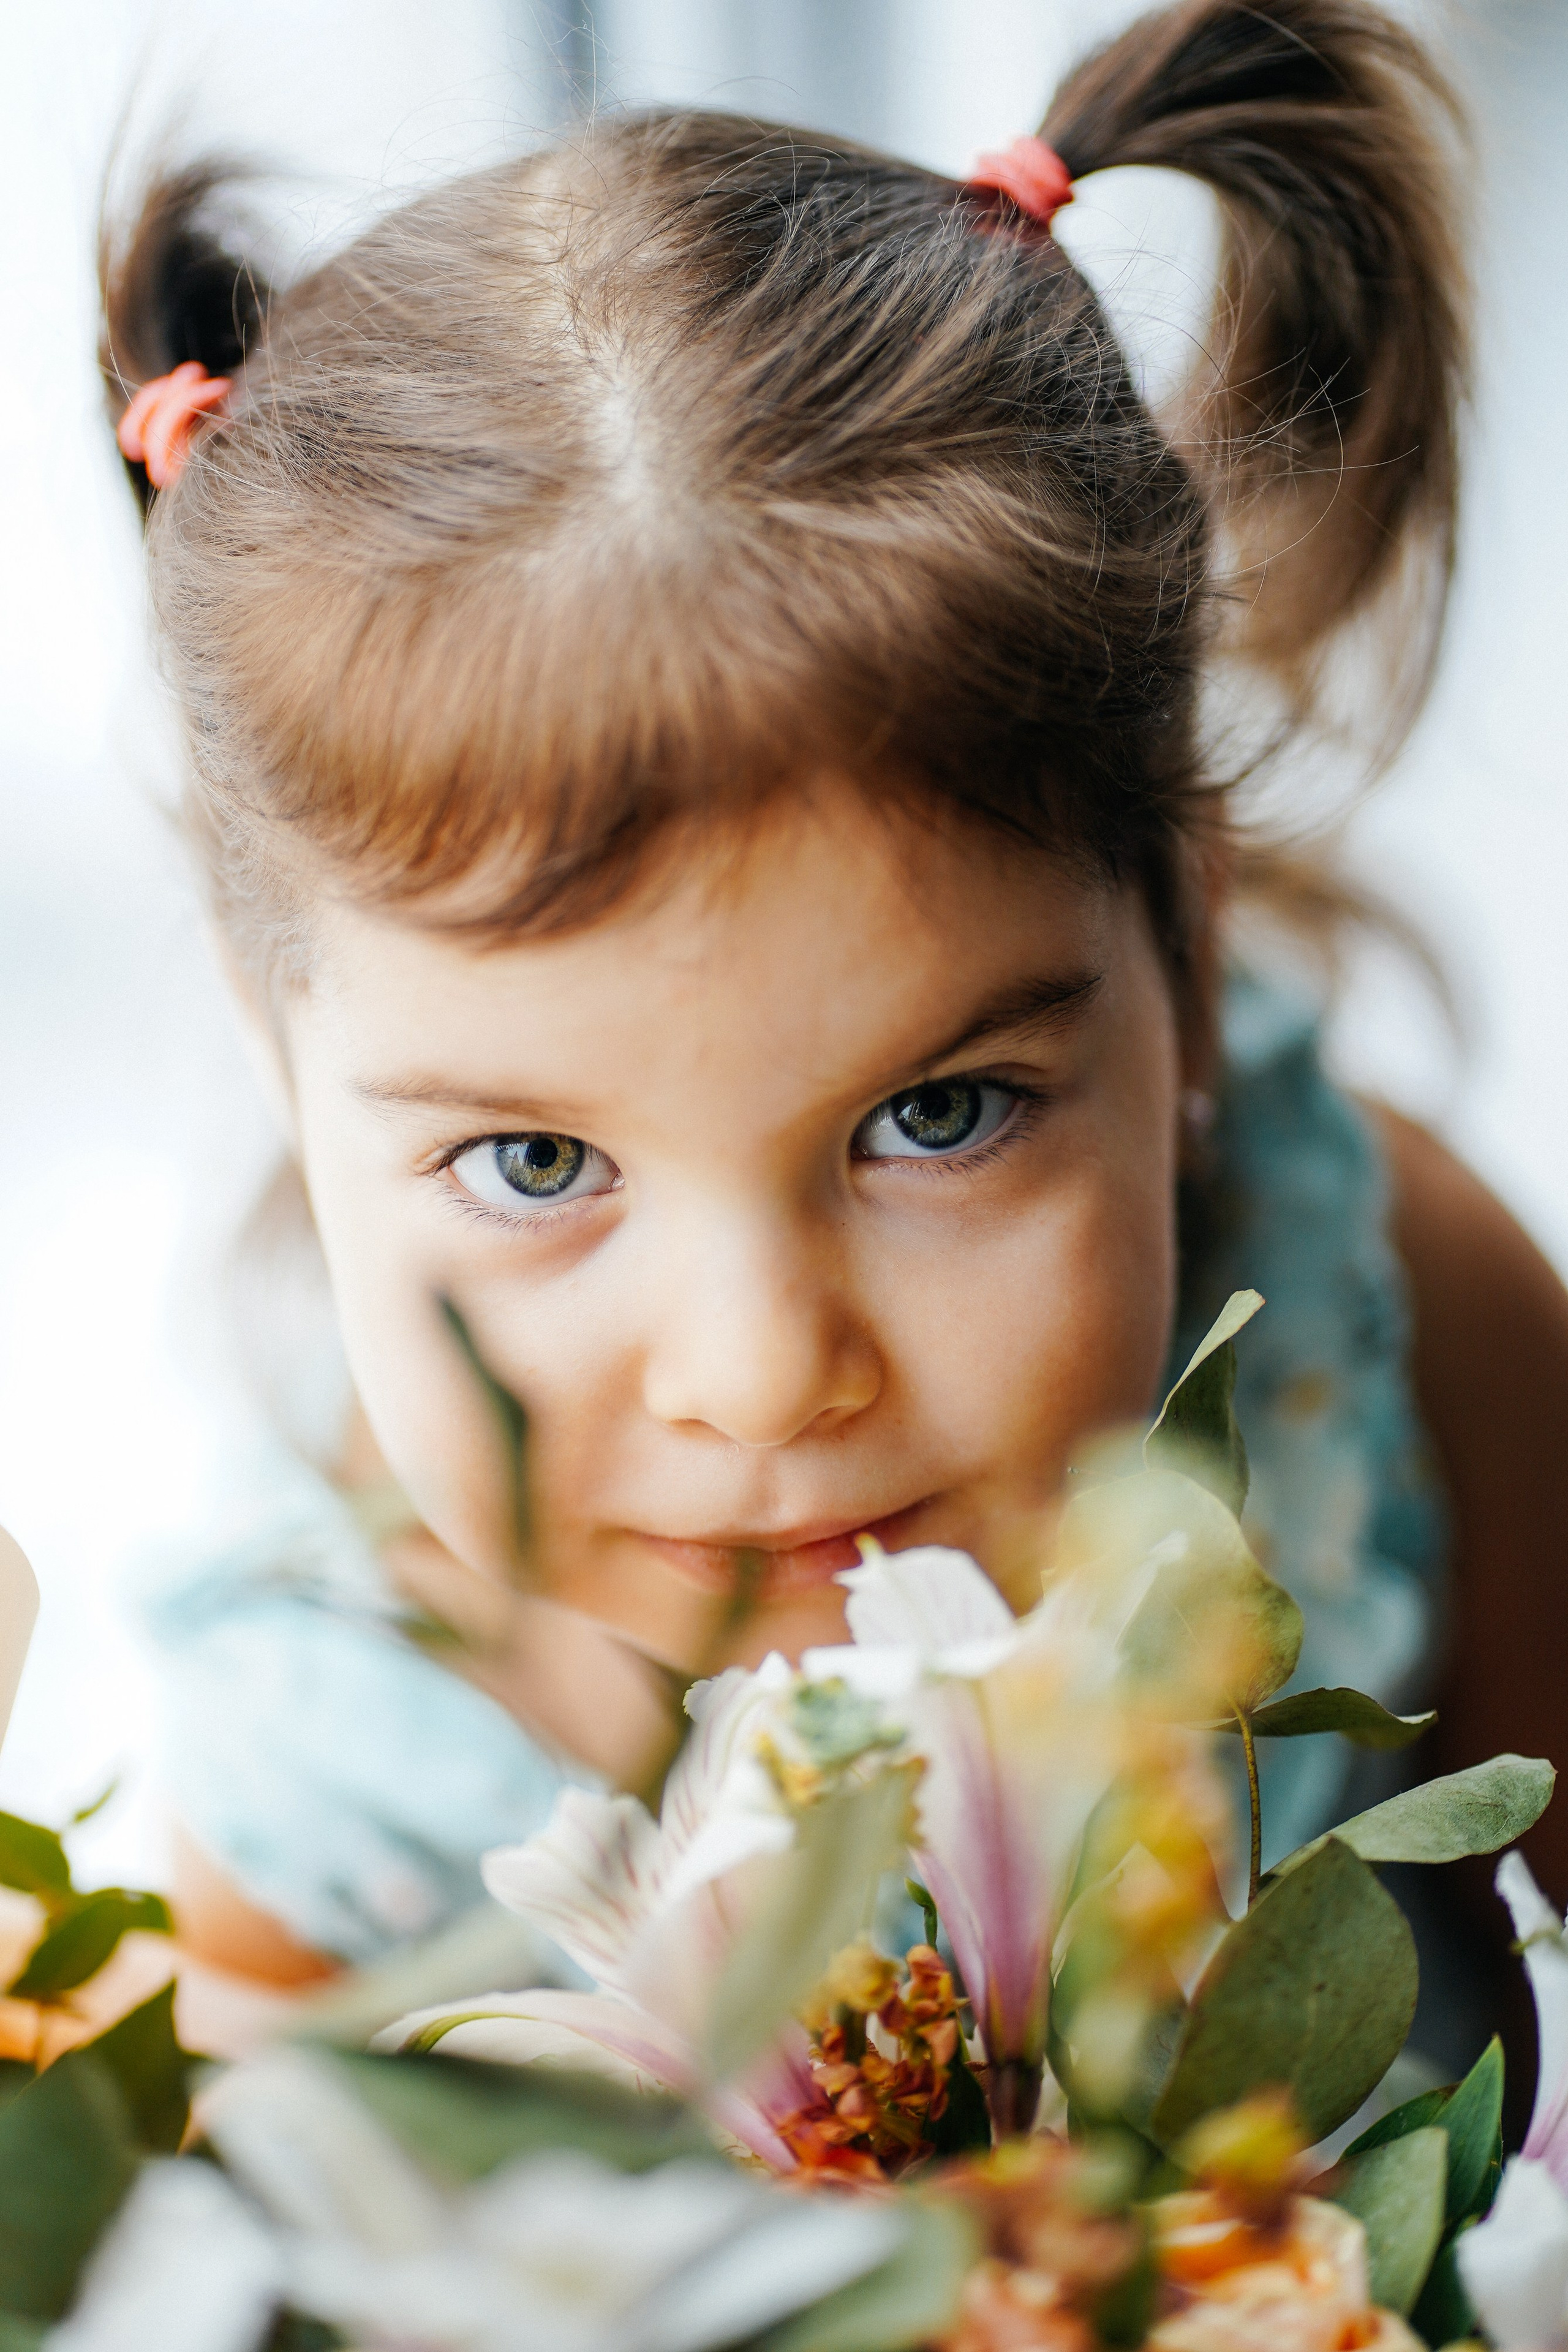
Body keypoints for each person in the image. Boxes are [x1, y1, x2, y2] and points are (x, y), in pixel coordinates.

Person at [98, 0, 1568, 2015]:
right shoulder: (338, 1778)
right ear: (282, 1064)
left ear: (1191, 963)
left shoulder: (1390, 1327)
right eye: (538, 1161)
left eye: (940, 1116)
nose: (765, 1373)